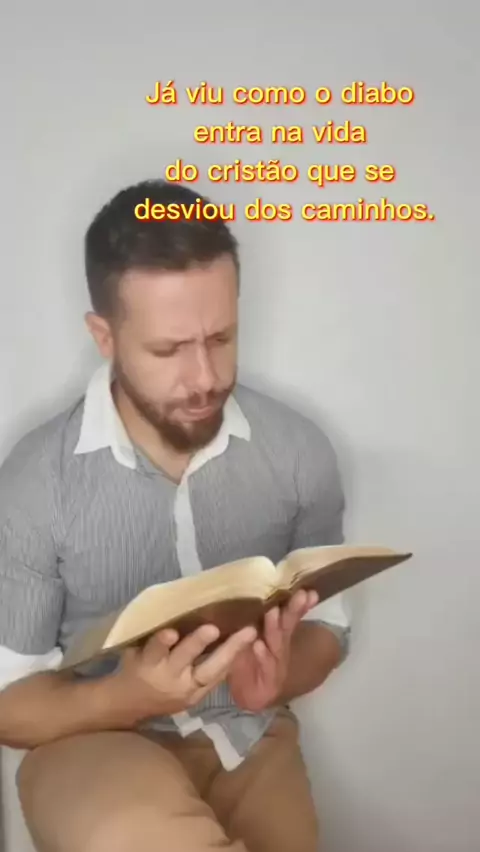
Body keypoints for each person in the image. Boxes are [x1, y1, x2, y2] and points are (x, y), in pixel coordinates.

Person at [0, 179, 351, 852]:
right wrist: (127, 697)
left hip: (250, 736)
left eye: (221, 337)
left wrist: (279, 677)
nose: (204, 378)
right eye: (168, 350)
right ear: (104, 336)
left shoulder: (298, 451)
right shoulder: (35, 480)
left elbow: (330, 629)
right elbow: (8, 705)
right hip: (91, 739)